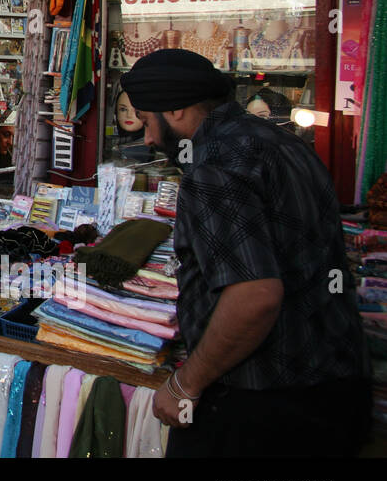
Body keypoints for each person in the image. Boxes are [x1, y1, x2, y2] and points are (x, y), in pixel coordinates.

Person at [120, 48, 370, 456]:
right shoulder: (283, 143)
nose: (147, 138)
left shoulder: (214, 167)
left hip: (262, 408)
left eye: (148, 121)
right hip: (335, 390)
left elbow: (254, 296)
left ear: (177, 110)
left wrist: (186, 384)